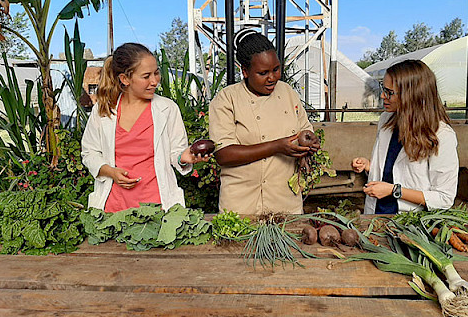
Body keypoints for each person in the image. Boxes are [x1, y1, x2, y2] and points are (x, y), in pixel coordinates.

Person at [81, 42, 209, 213]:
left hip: (159, 209)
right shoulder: (103, 109)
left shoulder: (167, 109)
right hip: (113, 208)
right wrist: (110, 172)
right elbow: (89, 153)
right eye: (146, 76)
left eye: (156, 73)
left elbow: (175, 153)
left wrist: (184, 157)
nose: (154, 81)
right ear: (125, 79)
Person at [209, 29, 316, 215]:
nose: (272, 77)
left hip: (285, 201)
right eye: (263, 72)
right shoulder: (227, 99)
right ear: (245, 71)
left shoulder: (287, 93)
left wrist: (310, 143)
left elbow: (305, 129)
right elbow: (224, 154)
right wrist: (277, 146)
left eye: (276, 69)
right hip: (242, 205)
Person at [351, 59, 458, 214]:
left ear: (412, 95)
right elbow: (393, 169)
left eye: (389, 92)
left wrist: (394, 190)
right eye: (383, 88)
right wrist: (368, 166)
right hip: (376, 213)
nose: (382, 95)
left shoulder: (441, 135)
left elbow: (444, 198)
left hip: (410, 223)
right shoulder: (387, 120)